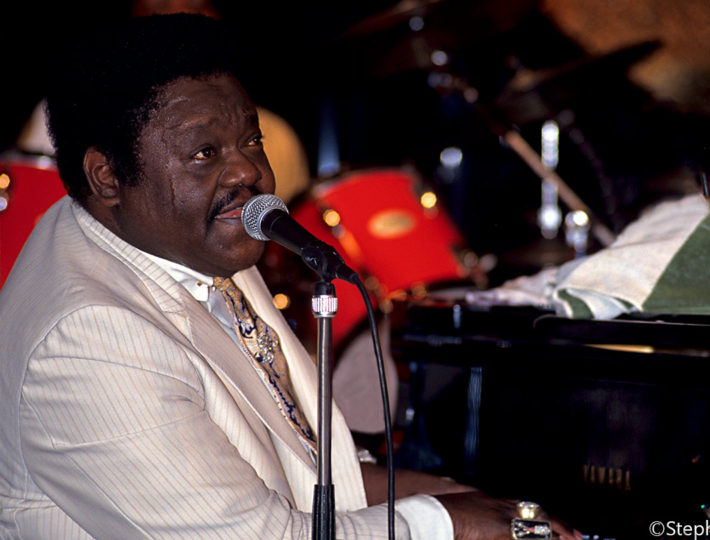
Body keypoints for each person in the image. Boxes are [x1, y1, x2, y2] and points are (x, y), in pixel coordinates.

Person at [0, 14, 579, 540]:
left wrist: (477, 503)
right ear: (106, 177)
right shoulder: (89, 340)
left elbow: (311, 473)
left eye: (251, 140)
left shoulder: (181, 240)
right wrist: (446, 522)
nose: (250, 169)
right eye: (205, 153)